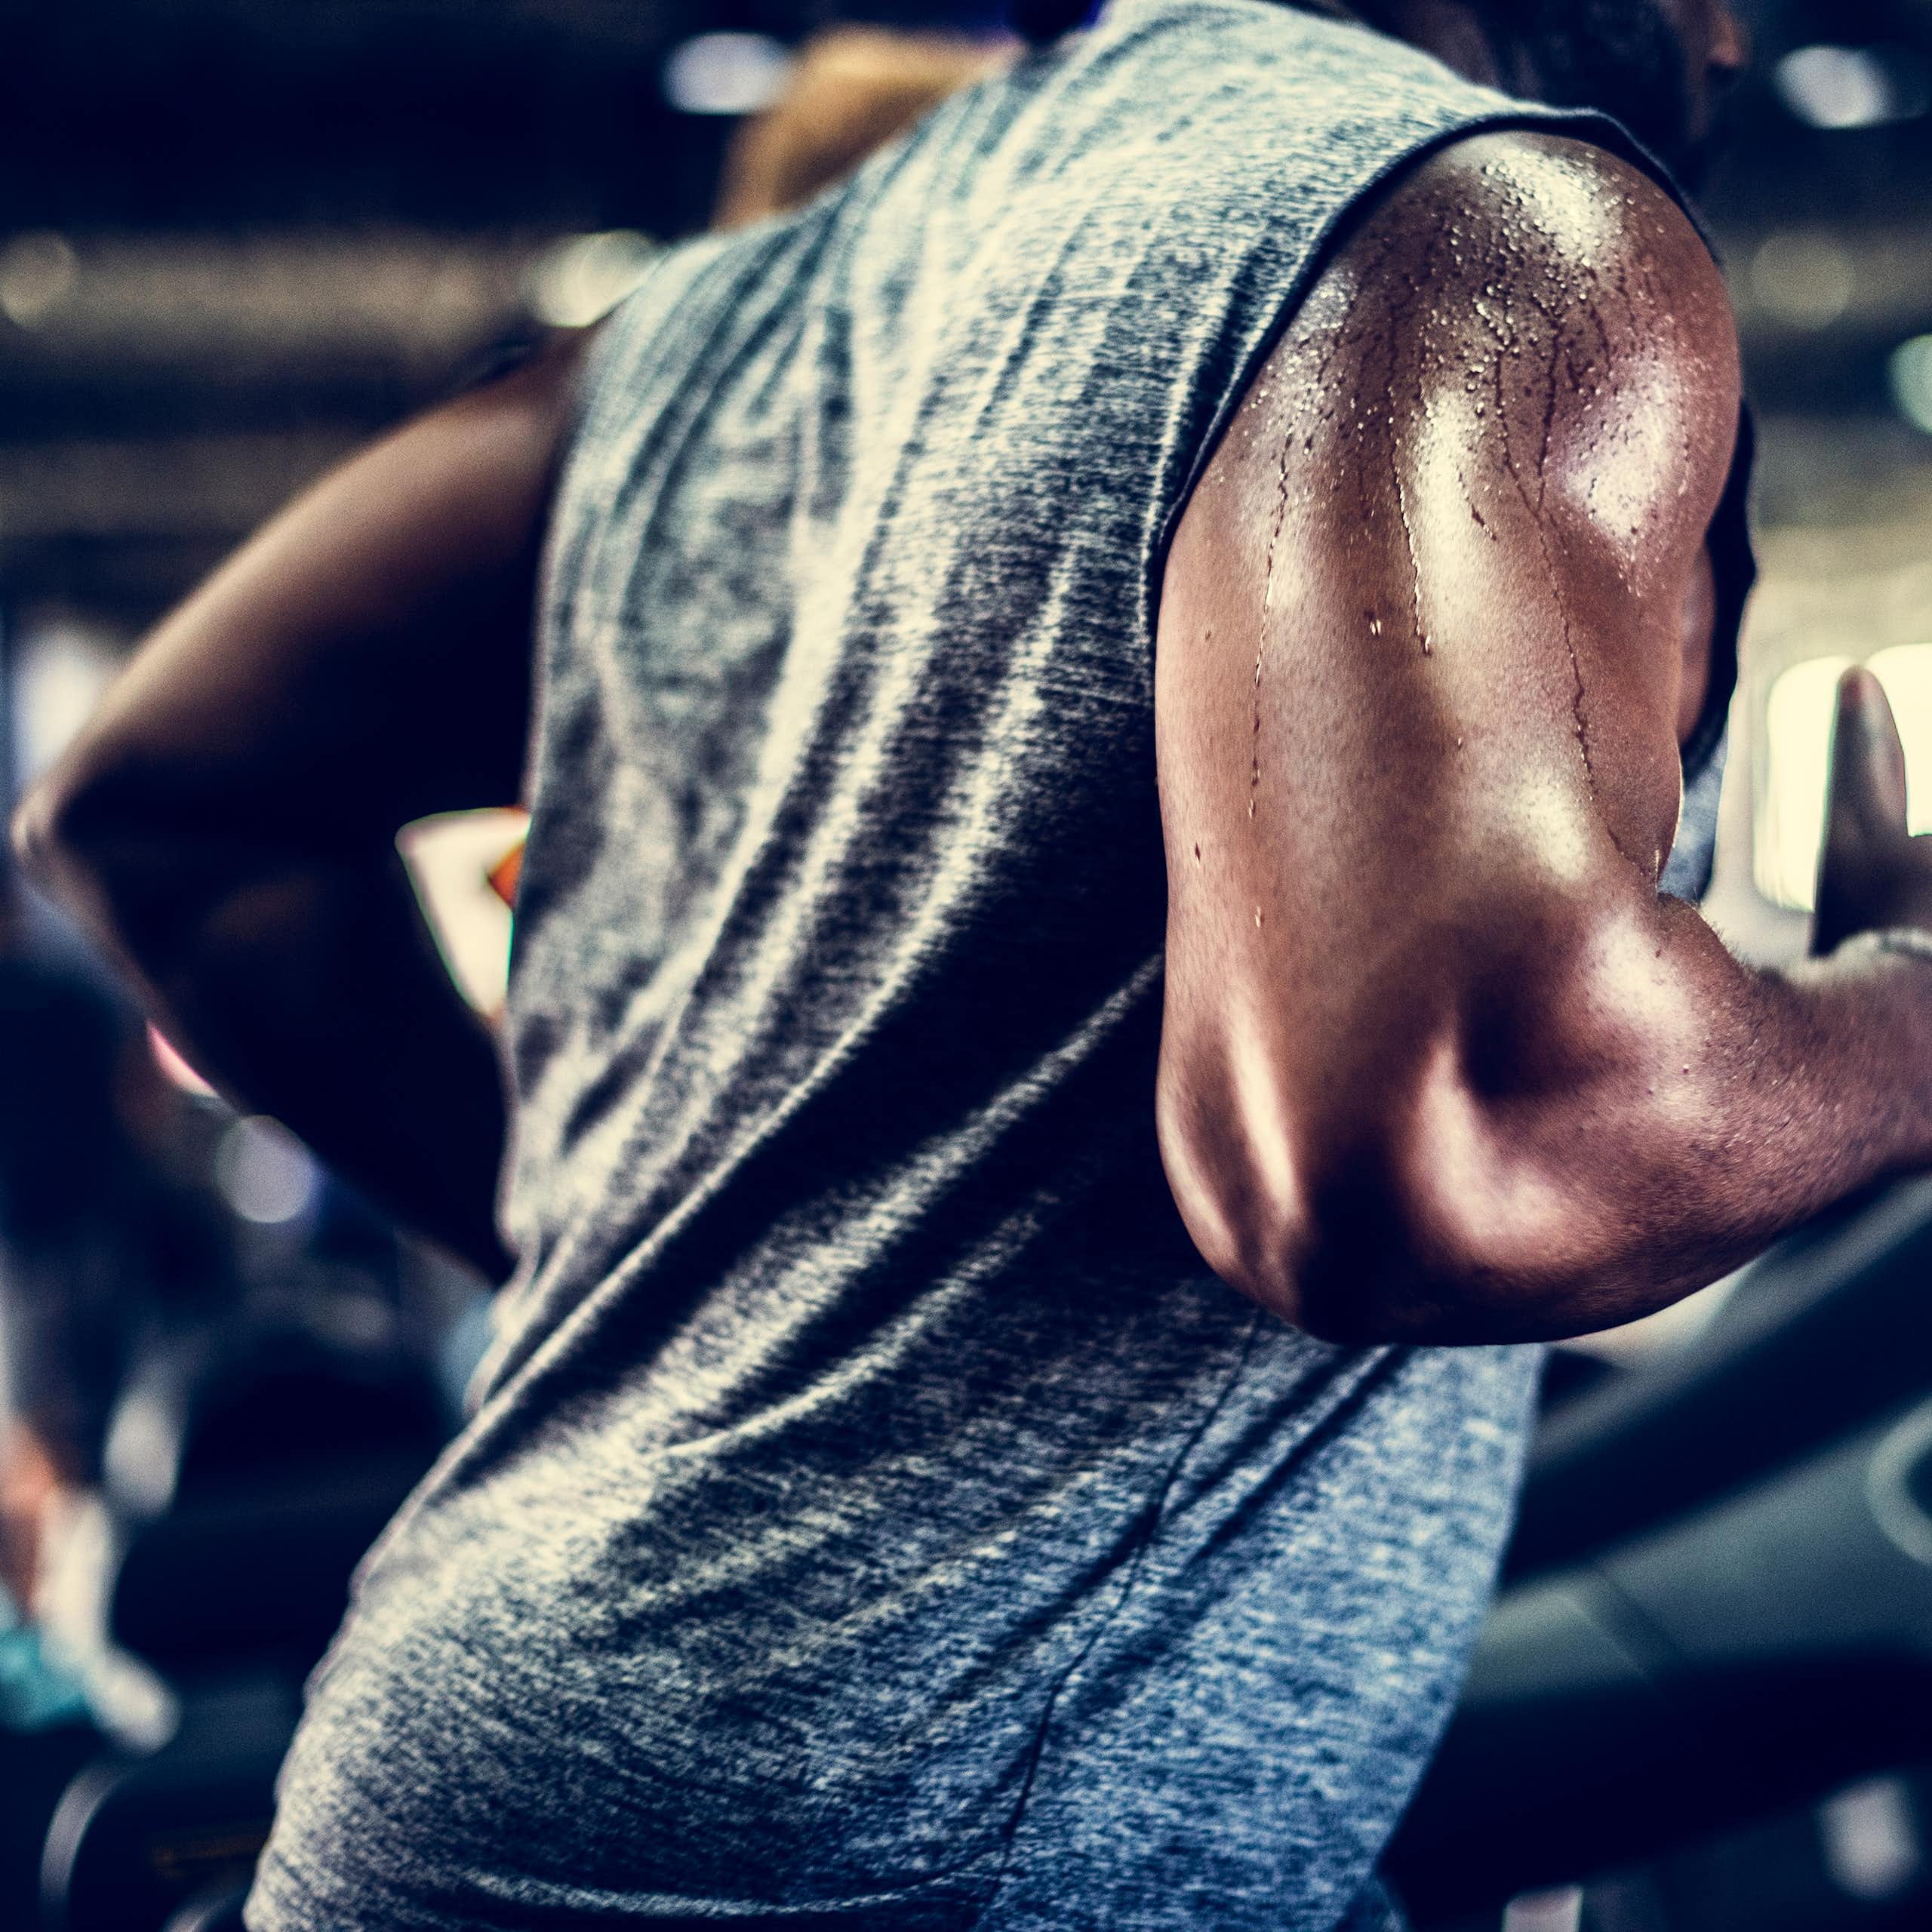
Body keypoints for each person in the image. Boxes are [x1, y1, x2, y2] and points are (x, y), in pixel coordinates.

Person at [15, 0, 1932, 1926]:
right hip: (905, 1847)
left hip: (451, 1786)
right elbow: (1462, 1127)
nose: (1731, 30)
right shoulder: (1484, 231)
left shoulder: (711, 333)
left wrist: (652, 1279)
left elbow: (156, 805)